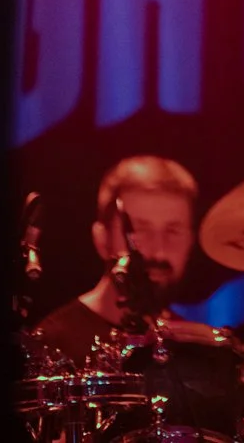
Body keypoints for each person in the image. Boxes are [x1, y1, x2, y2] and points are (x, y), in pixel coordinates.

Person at [34, 155, 198, 364]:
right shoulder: (52, 346)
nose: (159, 251)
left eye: (173, 231)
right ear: (102, 240)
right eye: (139, 231)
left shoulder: (196, 349)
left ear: (191, 241)